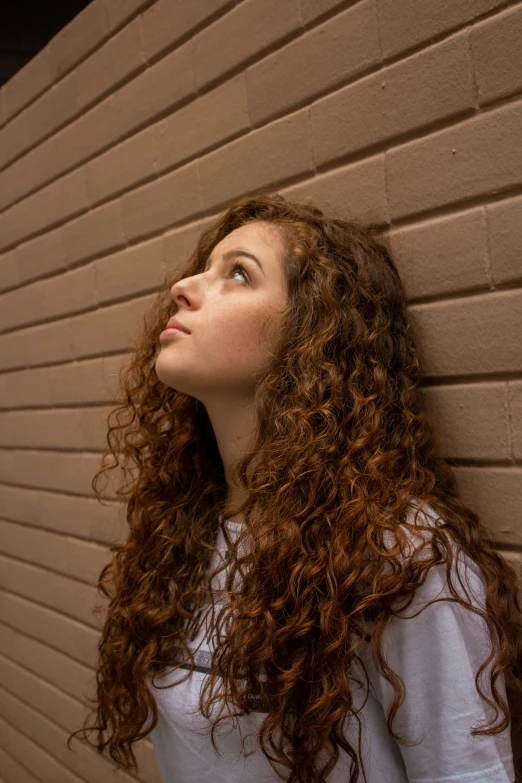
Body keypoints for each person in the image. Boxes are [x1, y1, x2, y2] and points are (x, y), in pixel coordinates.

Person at [67, 192, 521, 783]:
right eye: (204, 269)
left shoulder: (396, 549)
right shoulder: (184, 532)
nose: (184, 287)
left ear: (309, 333)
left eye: (237, 274)